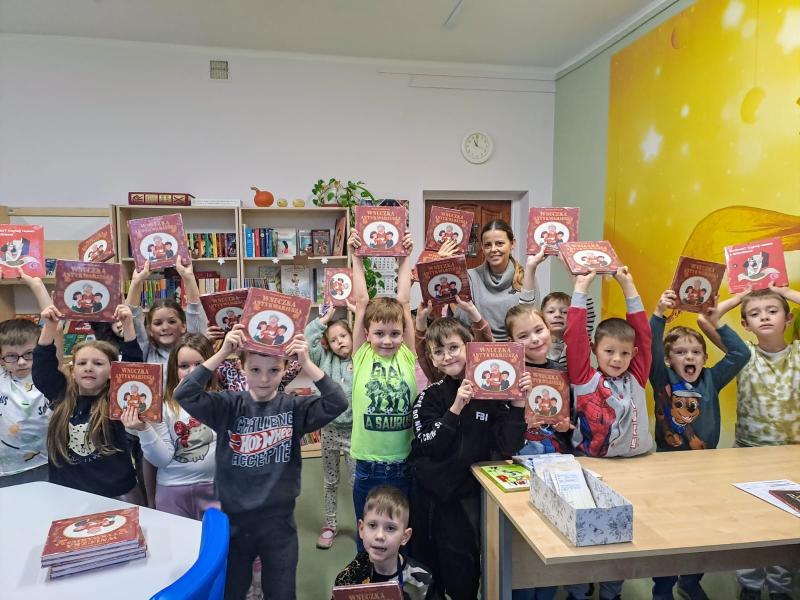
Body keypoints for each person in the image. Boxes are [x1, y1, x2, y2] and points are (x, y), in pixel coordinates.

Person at [174, 324, 347, 600]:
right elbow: (184, 394)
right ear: (242, 369)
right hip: (234, 523)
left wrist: (307, 362)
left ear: (283, 370)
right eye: (255, 370)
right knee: (230, 591)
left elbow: (337, 402)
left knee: (281, 592)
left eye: (273, 370)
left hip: (279, 524)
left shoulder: (293, 408)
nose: (265, 379)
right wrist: (221, 354)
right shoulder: (227, 405)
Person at [408, 316, 526, 599]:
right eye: (438, 352)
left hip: (465, 498)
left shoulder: (492, 396)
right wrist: (456, 407)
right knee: (423, 566)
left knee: (464, 568)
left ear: (469, 348)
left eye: (453, 347)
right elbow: (430, 445)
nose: (447, 356)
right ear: (432, 360)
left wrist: (519, 403)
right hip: (426, 494)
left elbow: (509, 445)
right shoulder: (431, 396)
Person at [649, 288, 750, 600]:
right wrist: (658, 314)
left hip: (706, 469)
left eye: (695, 352)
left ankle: (690, 581)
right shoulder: (660, 376)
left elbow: (741, 354)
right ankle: (663, 586)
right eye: (680, 352)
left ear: (705, 358)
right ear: (668, 359)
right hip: (667, 467)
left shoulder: (711, 379)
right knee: (666, 532)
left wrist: (716, 324)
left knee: (700, 530)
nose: (689, 357)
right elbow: (651, 348)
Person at [701, 284, 799, 600]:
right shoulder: (743, 353)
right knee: (751, 525)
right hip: (749, 454)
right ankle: (751, 587)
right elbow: (707, 321)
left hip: (792, 456)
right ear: (745, 324)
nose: (765, 317)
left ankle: (781, 589)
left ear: (789, 317)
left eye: (773, 311)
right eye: (755, 314)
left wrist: (782, 290)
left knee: (785, 528)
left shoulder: (798, 353)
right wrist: (744, 296)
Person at [563, 266, 653, 600]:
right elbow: (573, 336)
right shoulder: (585, 377)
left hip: (635, 470)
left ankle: (612, 591)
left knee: (622, 537)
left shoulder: (637, 376)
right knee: (584, 537)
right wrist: (581, 288)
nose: (617, 359)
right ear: (594, 350)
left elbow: (643, 334)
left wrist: (628, 284)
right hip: (592, 470)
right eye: (609, 351)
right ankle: (578, 591)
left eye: (625, 353)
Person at [32, 303, 144, 501]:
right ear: (73, 371)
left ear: (113, 372)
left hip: (116, 494)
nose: (89, 368)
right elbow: (42, 368)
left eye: (98, 363)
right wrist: (49, 328)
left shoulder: (116, 399)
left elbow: (133, 365)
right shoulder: (62, 396)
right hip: (68, 494)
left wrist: (128, 326)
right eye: (82, 363)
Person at [348, 227, 416, 552]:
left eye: (394, 333)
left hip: (402, 463)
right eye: (379, 334)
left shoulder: (407, 354)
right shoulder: (361, 355)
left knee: (397, 539)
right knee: (368, 541)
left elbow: (403, 300)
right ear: (367, 333)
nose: (387, 340)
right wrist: (357, 257)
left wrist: (405, 257)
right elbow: (362, 300)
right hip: (367, 467)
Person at [122, 334, 218, 520]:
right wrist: (144, 430)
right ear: (174, 370)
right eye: (184, 366)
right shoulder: (164, 407)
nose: (192, 372)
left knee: (215, 546)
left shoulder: (224, 402)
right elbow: (161, 459)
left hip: (215, 488)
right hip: (173, 491)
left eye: (199, 365)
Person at [305, 305, 355, 549]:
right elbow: (307, 340)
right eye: (333, 340)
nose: (339, 343)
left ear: (353, 335)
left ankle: (363, 523)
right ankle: (330, 524)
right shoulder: (323, 359)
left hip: (356, 433)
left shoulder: (361, 358)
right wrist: (323, 319)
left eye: (343, 336)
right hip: (330, 432)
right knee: (330, 481)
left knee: (358, 481)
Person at [334, 485, 438, 600]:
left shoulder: (422, 582)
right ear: (362, 529)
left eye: (390, 528)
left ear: (405, 537)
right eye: (372, 525)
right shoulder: (348, 579)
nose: (379, 536)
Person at [454, 220, 534, 341]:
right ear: (482, 247)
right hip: (479, 350)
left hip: (518, 350)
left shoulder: (526, 277)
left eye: (500, 243)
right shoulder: (470, 277)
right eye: (487, 245)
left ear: (512, 244)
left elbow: (532, 321)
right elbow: (461, 325)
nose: (493, 249)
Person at [0, 318, 50, 487]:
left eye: (29, 353)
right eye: (12, 356)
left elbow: (54, 331)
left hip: (43, 463)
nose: (21, 362)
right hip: (6, 469)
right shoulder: (2, 377)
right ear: (1, 360)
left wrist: (37, 289)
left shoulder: (48, 376)